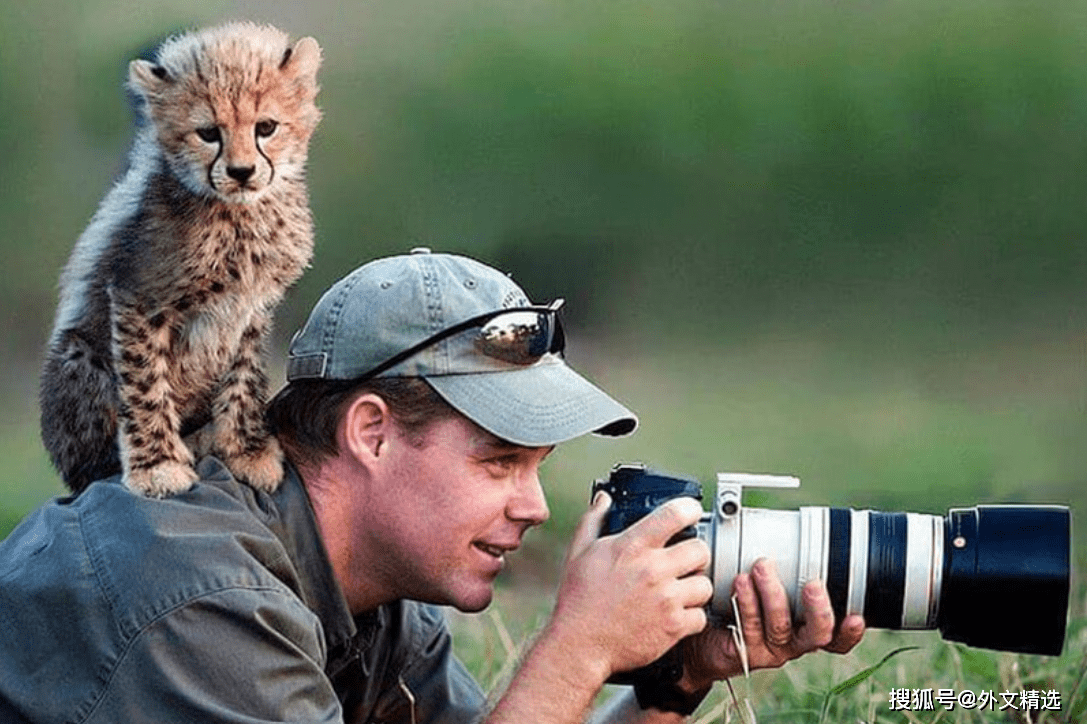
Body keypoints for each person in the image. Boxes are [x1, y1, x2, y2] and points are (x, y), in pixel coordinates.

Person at [0, 249, 865, 723]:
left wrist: (665, 684)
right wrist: (575, 652)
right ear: (370, 431)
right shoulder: (195, 595)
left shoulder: (378, 605)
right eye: (499, 462)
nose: (533, 506)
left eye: (536, 466)